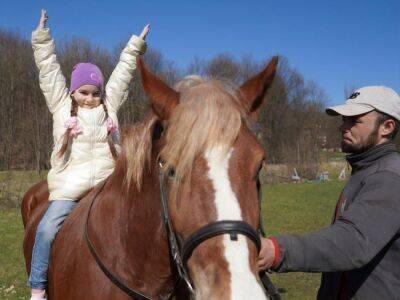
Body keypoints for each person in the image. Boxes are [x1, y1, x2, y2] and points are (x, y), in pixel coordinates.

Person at [28, 9, 149, 300]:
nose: (90, 98)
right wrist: (42, 37)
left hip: (109, 184)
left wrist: (135, 45)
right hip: (70, 188)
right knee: (45, 232)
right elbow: (48, 69)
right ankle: (38, 287)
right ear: (72, 92)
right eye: (84, 92)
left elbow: (123, 73)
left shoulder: (110, 106)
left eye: (95, 93)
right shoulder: (60, 105)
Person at [258, 86, 400, 300]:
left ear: (387, 127)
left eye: (354, 121)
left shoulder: (389, 177)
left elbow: (352, 242)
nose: (343, 127)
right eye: (344, 120)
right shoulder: (366, 171)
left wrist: (275, 250)